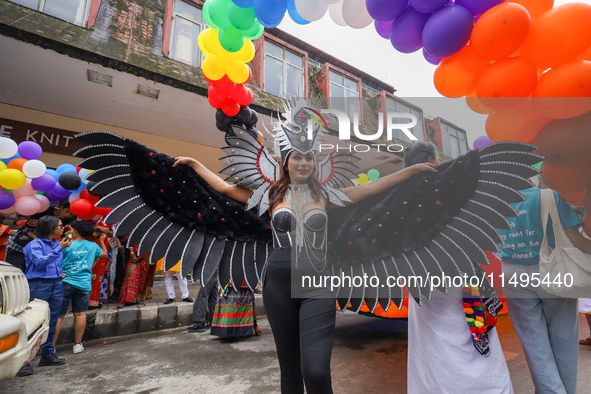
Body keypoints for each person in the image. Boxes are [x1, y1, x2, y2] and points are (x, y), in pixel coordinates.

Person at [173, 117, 436, 393]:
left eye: (309, 158)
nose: (303, 163)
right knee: (289, 372)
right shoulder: (271, 195)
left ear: (314, 164)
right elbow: (225, 189)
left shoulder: (325, 196)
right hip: (278, 285)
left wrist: (412, 171)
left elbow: (370, 189)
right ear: (287, 162)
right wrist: (195, 164)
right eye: (297, 157)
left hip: (318, 283)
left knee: (316, 370)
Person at [404, 142, 514, 393]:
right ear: (433, 160)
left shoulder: (399, 200)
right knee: (475, 335)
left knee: (432, 345)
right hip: (462, 276)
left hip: (424, 282)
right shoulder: (452, 191)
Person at [497, 186, 591, 394]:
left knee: (534, 345)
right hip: (553, 269)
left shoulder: (496, 201)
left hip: (512, 273)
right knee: (564, 339)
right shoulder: (549, 196)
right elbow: (575, 240)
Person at [17, 216, 71, 377]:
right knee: (31, 322)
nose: (63, 228)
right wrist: (60, 248)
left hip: (55, 284)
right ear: (50, 227)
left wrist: (58, 273)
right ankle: (21, 361)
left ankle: (47, 354)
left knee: (52, 319)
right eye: (60, 226)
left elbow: (53, 264)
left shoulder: (56, 244)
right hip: (39, 285)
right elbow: (40, 262)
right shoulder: (34, 245)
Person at [52, 220, 108, 354]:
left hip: (65, 282)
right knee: (80, 313)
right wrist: (101, 241)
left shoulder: (65, 244)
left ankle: (51, 346)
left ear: (75, 231)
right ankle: (77, 344)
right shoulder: (92, 246)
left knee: (59, 316)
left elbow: (54, 259)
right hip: (84, 284)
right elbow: (105, 255)